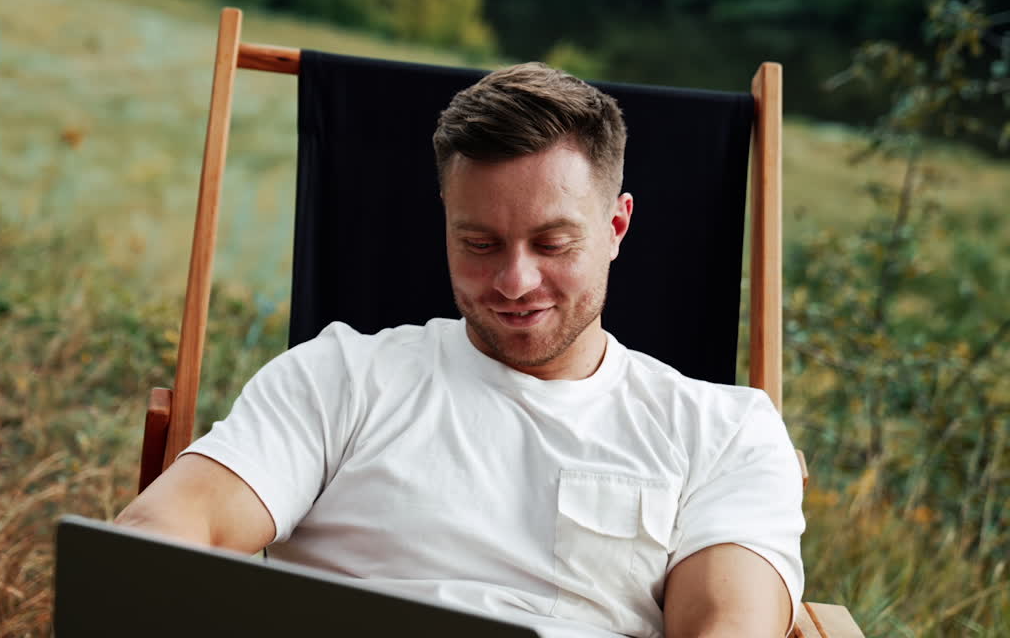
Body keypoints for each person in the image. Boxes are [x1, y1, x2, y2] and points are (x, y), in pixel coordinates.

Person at [116, 63, 805, 638]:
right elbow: (170, 529)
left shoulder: (724, 431)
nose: (514, 281)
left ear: (617, 225)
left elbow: (727, 625)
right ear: (446, 225)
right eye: (479, 244)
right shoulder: (341, 378)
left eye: (553, 244)